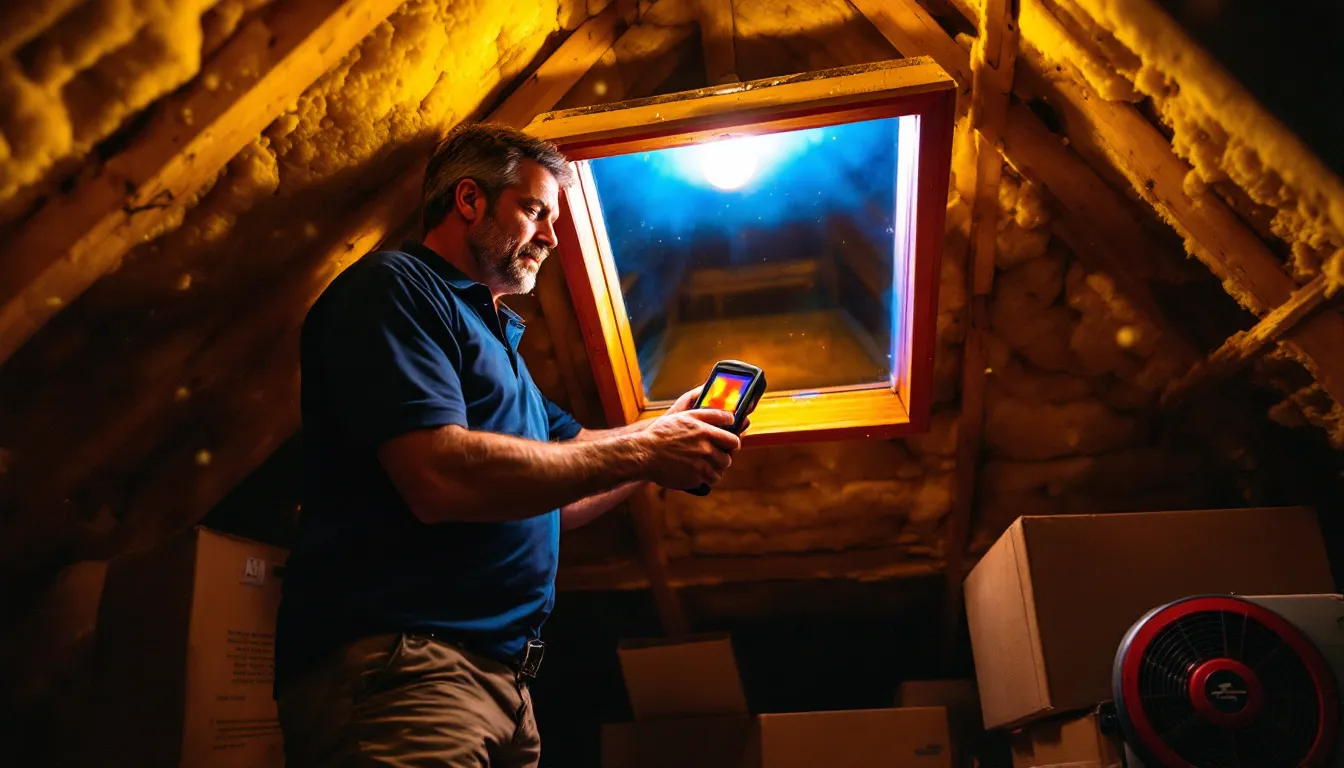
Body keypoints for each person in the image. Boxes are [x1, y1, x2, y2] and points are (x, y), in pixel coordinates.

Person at [273, 121, 749, 768]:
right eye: (535, 211)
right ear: (470, 200)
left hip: (500, 683)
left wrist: (666, 434)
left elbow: (565, 483)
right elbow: (438, 474)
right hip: (408, 668)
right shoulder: (397, 290)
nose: (552, 236)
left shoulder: (500, 346)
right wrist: (647, 450)